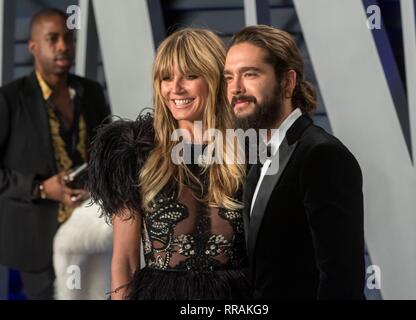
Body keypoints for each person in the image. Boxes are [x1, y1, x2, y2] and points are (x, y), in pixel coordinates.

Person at [88, 28, 249, 300]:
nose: (175, 89)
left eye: (190, 76)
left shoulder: (251, 150)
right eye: (166, 78)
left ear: (215, 79)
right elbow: (125, 261)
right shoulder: (135, 151)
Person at [224, 25, 365, 300]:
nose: (236, 88)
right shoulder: (259, 163)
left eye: (250, 74)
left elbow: (341, 281)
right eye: (229, 77)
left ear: (287, 82)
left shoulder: (321, 155)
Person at [0, 8, 110, 299]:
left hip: (91, 231)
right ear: (33, 46)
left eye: (68, 38)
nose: (63, 46)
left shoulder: (92, 92)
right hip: (38, 240)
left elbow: (108, 153)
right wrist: (39, 188)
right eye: (53, 39)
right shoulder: (9, 99)